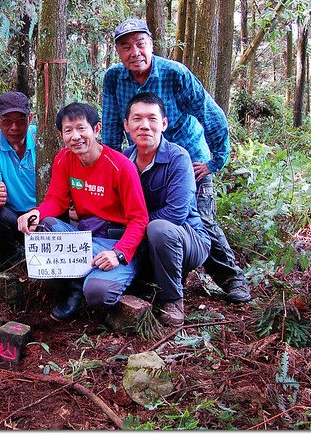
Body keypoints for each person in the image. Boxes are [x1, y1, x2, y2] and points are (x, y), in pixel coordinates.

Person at [102, 18, 252, 303]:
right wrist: (112, 169)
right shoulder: (113, 78)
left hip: (189, 161)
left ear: (151, 45)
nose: (134, 52)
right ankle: (151, 279)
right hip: (142, 164)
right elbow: (111, 127)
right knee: (143, 219)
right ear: (118, 53)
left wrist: (215, 161)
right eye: (126, 47)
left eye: (140, 44)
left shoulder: (174, 74)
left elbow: (212, 115)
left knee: (200, 220)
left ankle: (232, 279)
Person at [17, 102, 148, 322]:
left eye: (81, 128)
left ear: (96, 130)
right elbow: (56, 201)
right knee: (44, 224)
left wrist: (119, 253)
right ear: (61, 134)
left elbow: (139, 219)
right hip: (85, 237)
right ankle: (74, 287)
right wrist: (36, 212)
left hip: (114, 241)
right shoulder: (64, 159)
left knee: (98, 294)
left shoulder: (121, 166)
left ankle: (121, 275)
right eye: (68, 130)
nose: (76, 136)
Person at [123, 92, 210, 326]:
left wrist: (132, 225)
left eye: (152, 119)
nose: (144, 126)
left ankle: (173, 300)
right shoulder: (123, 160)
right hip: (144, 236)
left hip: (186, 239)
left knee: (159, 228)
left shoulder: (178, 158)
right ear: (127, 125)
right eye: (137, 119)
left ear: (163, 124)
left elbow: (176, 214)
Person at [0, 91, 36, 271]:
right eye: (7, 121)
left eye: (21, 121)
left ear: (30, 118)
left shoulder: (42, 139)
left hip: (43, 214)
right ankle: (11, 256)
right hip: (13, 218)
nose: (14, 127)